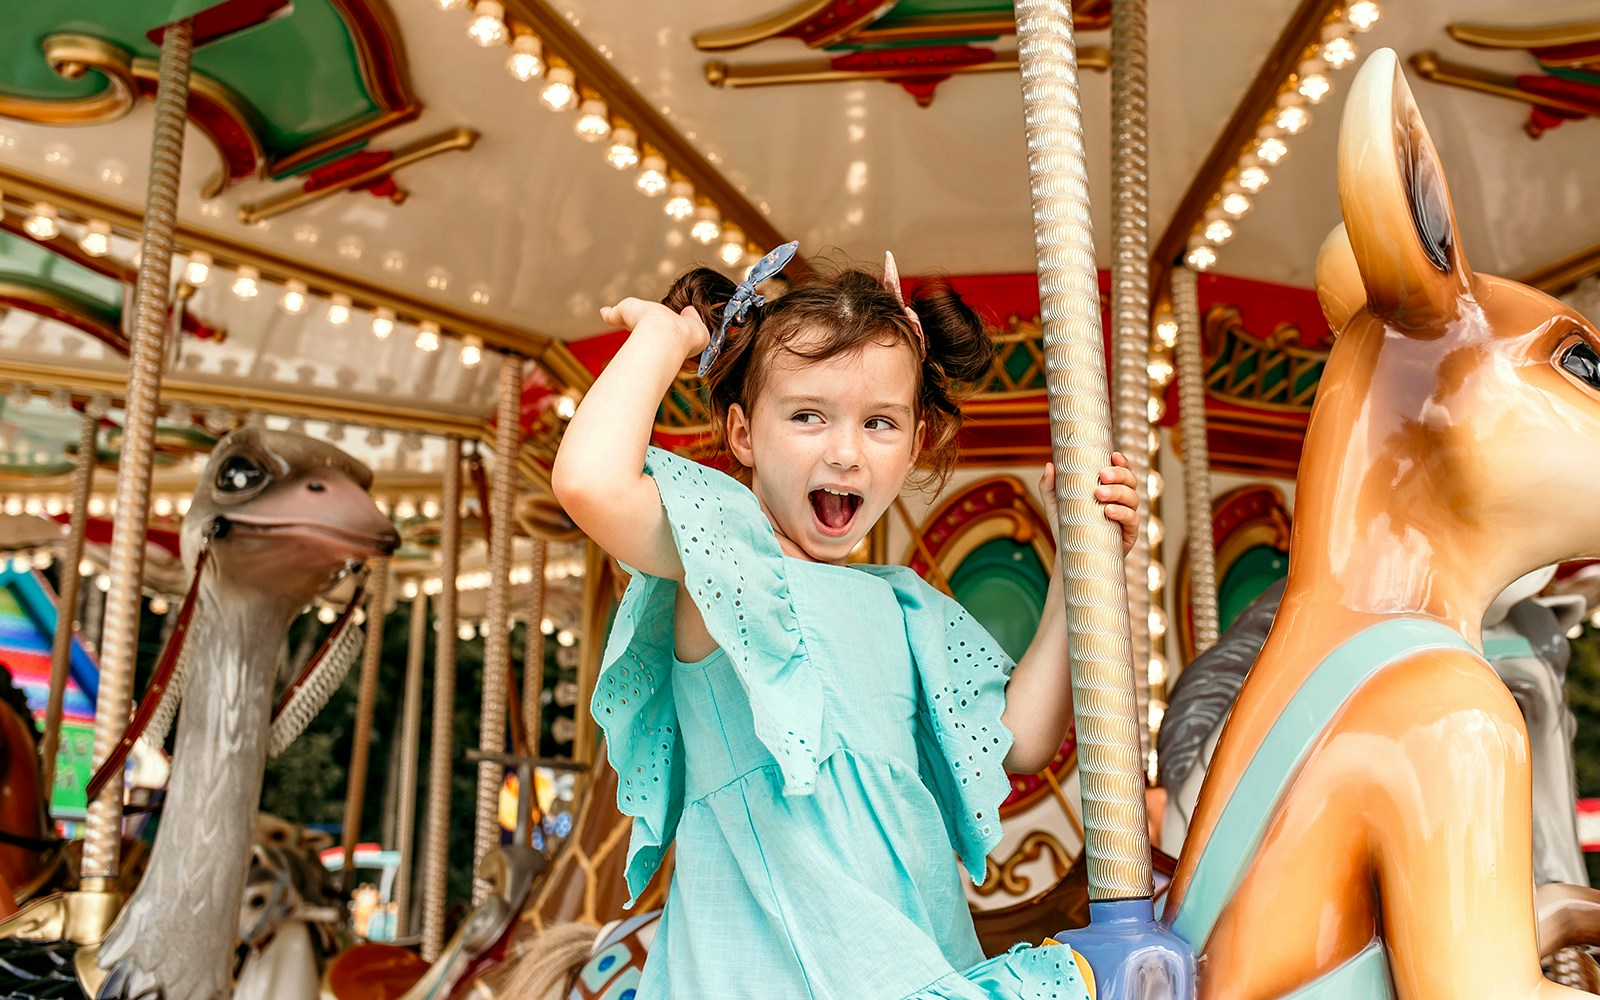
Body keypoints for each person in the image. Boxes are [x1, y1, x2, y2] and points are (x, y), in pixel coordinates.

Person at [552, 246, 1138, 999]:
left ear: (917, 442)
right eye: (807, 416)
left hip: (911, 959)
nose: (845, 452)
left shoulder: (905, 607)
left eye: (880, 423)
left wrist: (1078, 566)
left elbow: (1021, 738)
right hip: (767, 974)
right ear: (740, 436)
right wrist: (665, 338)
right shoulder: (726, 559)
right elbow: (588, 481)